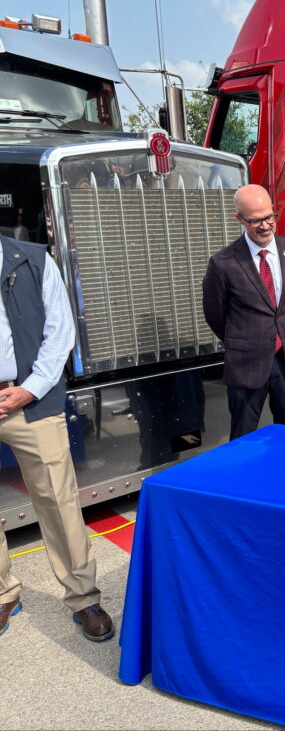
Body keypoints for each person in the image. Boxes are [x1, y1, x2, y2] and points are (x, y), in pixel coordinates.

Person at [0, 236, 113, 641]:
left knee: (59, 502)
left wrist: (29, 389)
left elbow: (60, 330)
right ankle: (3, 594)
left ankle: (83, 598)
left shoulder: (31, 260)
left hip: (31, 399)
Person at [202, 184, 285, 440]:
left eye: (268, 217)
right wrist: (244, 342)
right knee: (242, 440)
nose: (264, 226)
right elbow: (215, 314)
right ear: (239, 219)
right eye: (254, 221)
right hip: (246, 365)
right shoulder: (223, 263)